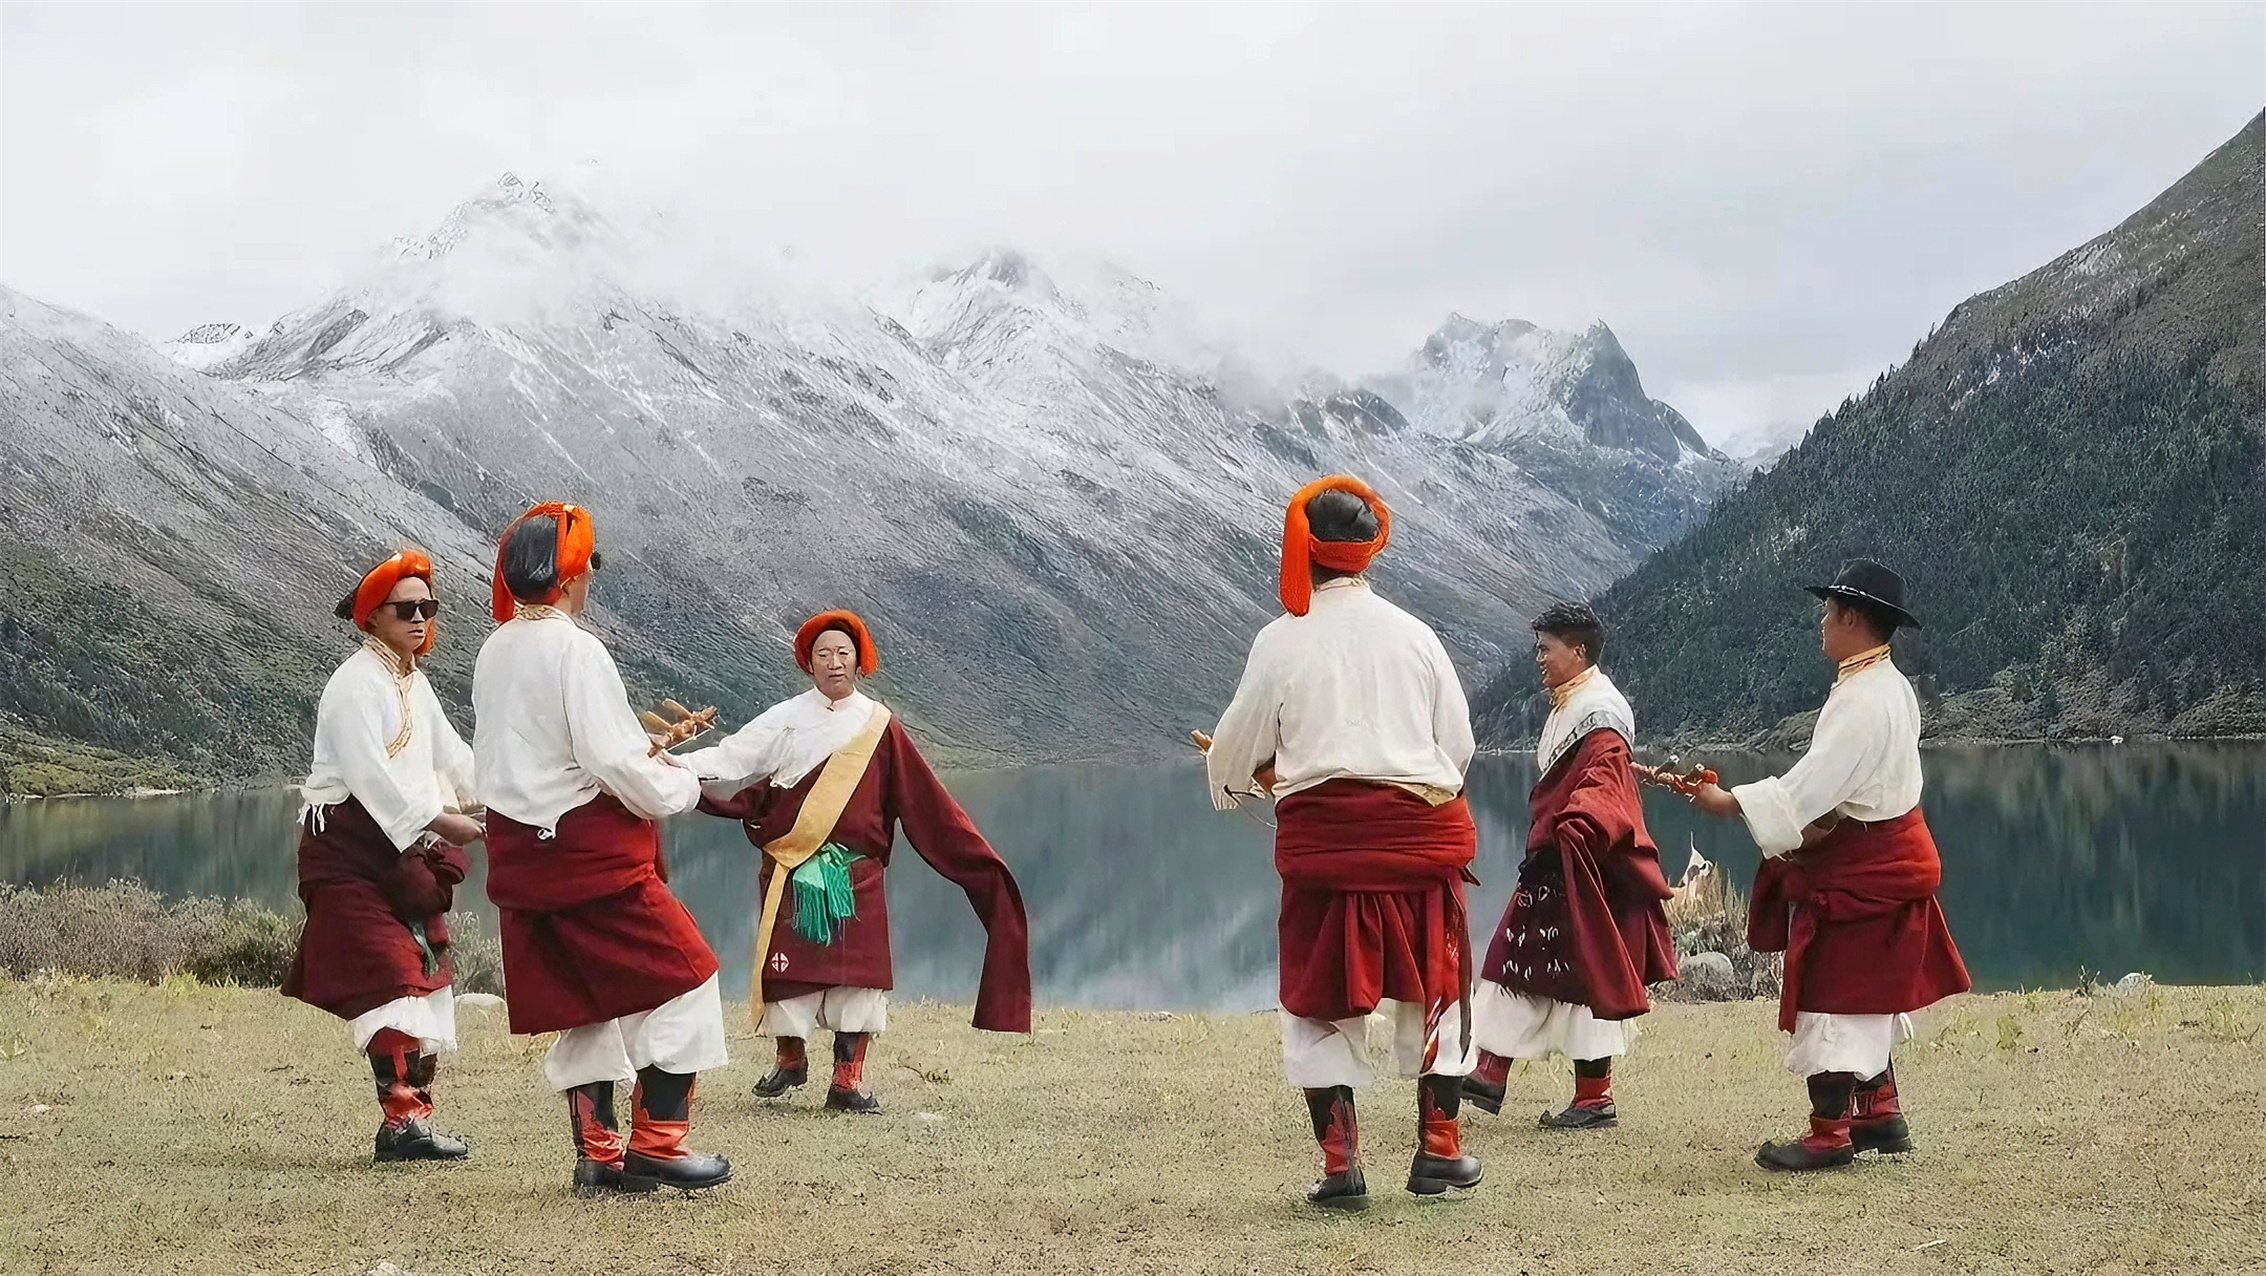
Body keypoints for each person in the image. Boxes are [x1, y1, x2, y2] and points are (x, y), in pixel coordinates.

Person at [1203, 475, 1482, 1211]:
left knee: (1318, 998)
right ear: (1369, 551)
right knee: (1437, 988)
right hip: (1423, 844)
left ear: (1303, 549)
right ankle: (1440, 1150)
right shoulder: (1417, 636)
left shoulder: (1279, 640)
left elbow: (1234, 753)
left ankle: (1342, 1167)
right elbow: (1456, 747)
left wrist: (1245, 776)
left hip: (1327, 855)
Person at [472, 502, 730, 1195]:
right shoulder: (576, 650)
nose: (592, 575)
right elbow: (613, 762)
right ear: (568, 575)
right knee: (687, 978)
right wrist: (680, 784)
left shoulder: (495, 649)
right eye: (589, 564)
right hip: (586, 858)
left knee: (580, 999)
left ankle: (598, 1156)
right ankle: (659, 1145)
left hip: (520, 859)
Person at [1684, 560, 1971, 1171]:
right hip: (1885, 852)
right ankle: (1880, 1111)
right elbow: (1842, 788)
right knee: (1867, 987)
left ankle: (1830, 1133)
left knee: (1833, 990)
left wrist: (1727, 801)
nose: (1821, 621)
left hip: (1862, 865)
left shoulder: (1863, 700)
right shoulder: (1890, 686)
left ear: (1851, 618)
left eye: (1828, 611)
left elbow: (1810, 789)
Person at [686, 610, 1031, 1113]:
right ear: (809, 663)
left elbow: (926, 804)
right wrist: (674, 768)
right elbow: (732, 757)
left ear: (860, 661)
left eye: (843, 653)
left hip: (856, 874)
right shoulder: (784, 718)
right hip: (790, 867)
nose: (834, 662)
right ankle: (790, 1059)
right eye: (823, 654)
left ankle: (846, 1082)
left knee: (858, 977)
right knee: (788, 973)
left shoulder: (879, 726)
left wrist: (980, 866)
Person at [284, 547, 483, 1164]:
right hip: (349, 849)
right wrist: (445, 821)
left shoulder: (414, 683)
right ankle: (401, 1127)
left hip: (397, 848)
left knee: (422, 976)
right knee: (393, 978)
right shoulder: (352, 685)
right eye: (406, 610)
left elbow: (456, 760)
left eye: (428, 608)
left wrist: (509, 801)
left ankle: (410, 1125)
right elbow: (371, 779)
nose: (420, 619)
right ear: (371, 616)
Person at [1464, 602, 1674, 1129]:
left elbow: (1603, 783)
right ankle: (1496, 1071)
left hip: (1583, 859)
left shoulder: (1599, 713)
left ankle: (1556, 1087)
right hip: (1559, 858)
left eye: (1546, 648)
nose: (1539, 657)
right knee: (1536, 960)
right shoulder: (1576, 704)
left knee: (1564, 966)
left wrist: (1576, 825)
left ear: (1578, 651)